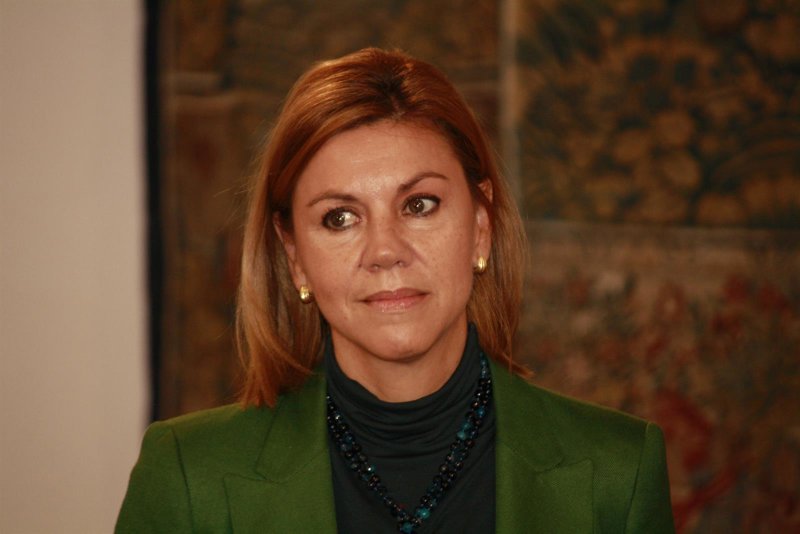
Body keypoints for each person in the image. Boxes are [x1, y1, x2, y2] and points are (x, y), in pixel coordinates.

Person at [116, 47, 675, 533]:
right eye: (339, 218)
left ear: (480, 226)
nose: (385, 250)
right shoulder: (188, 476)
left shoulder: (618, 471)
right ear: (295, 258)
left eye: (419, 205)